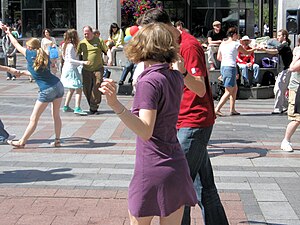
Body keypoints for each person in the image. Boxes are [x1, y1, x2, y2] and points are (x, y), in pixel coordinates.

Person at [100, 22, 197, 225]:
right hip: (176, 165)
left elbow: (145, 130)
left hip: (152, 166)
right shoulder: (174, 77)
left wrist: (115, 104)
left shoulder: (149, 81)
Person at [140, 8, 229, 225]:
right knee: (204, 185)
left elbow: (199, 88)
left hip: (194, 122)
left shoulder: (188, 46)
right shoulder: (170, 47)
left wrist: (183, 73)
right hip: (183, 122)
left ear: (163, 27)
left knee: (177, 185)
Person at [0, 25, 64, 148]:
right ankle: (57, 140)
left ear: (29, 47)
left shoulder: (29, 54)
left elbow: (15, 44)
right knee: (56, 115)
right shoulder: (43, 55)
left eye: (27, 46)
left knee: (33, 118)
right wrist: (23, 73)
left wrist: (8, 33)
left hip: (47, 89)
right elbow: (40, 74)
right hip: (58, 85)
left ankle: (21, 141)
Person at [215, 27, 257, 117]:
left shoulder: (222, 44)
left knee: (234, 88)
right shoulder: (235, 44)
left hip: (224, 66)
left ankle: (232, 109)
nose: (238, 36)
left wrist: (226, 60)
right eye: (237, 34)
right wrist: (255, 49)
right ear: (234, 35)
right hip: (230, 67)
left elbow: (218, 57)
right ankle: (217, 109)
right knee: (229, 90)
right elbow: (246, 53)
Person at [77, 25, 107, 114]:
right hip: (86, 69)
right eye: (84, 34)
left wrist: (109, 58)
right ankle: (91, 104)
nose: (86, 35)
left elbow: (106, 50)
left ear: (91, 32)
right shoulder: (82, 43)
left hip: (98, 68)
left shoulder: (99, 40)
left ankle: (94, 107)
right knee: (86, 89)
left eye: (87, 33)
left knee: (97, 86)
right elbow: (77, 54)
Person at [263, 29, 293, 114]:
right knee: (278, 89)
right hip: (282, 71)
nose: (277, 37)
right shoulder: (283, 46)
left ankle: (278, 108)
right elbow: (275, 51)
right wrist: (264, 49)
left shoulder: (284, 45)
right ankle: (288, 106)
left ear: (284, 37)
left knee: (279, 89)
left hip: (285, 70)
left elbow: (276, 50)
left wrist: (266, 46)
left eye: (279, 36)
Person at [61, 29, 90, 116]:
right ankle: (77, 107)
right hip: (71, 69)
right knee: (78, 88)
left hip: (67, 68)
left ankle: (66, 106)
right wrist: (82, 62)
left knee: (72, 88)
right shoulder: (71, 46)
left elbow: (65, 58)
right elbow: (70, 59)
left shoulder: (65, 45)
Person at [280, 38, 300, 152]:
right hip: (297, 89)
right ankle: (286, 140)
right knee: (297, 118)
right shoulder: (298, 51)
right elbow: (293, 68)